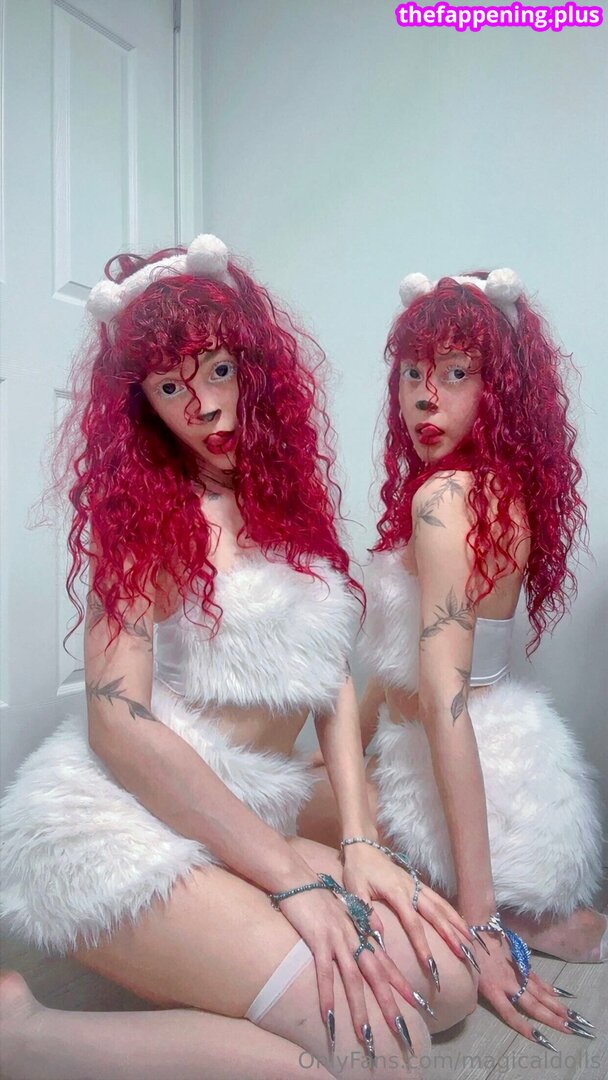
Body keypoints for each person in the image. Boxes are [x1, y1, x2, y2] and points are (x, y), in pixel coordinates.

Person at [0, 238, 477, 1079]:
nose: (205, 406)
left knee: (450, 991)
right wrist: (289, 877)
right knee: (382, 1052)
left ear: (255, 366)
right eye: (170, 387)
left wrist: (359, 840)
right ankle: (23, 1032)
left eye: (219, 371)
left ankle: (226, 959)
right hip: (121, 825)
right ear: (141, 402)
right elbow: (117, 723)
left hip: (244, 817)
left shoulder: (286, 503)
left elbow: (329, 677)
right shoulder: (142, 516)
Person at [300, 268, 602, 1048]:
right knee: (310, 780)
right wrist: (341, 749)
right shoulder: (499, 491)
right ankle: (541, 913)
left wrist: (480, 920)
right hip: (520, 772)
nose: (425, 398)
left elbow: (442, 701)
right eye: (412, 375)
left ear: (498, 388)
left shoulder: (442, 502)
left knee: (269, 809)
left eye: (456, 373)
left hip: (454, 786)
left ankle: (499, 912)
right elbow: (399, 661)